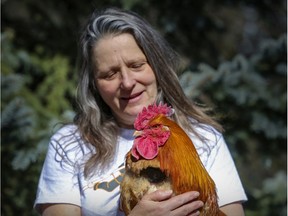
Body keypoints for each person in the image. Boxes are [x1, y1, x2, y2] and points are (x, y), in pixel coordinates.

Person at [34, 7, 247, 216]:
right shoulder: (70, 145)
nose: (127, 82)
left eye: (136, 65)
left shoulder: (205, 138)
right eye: (109, 74)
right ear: (94, 85)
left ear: (156, 66)